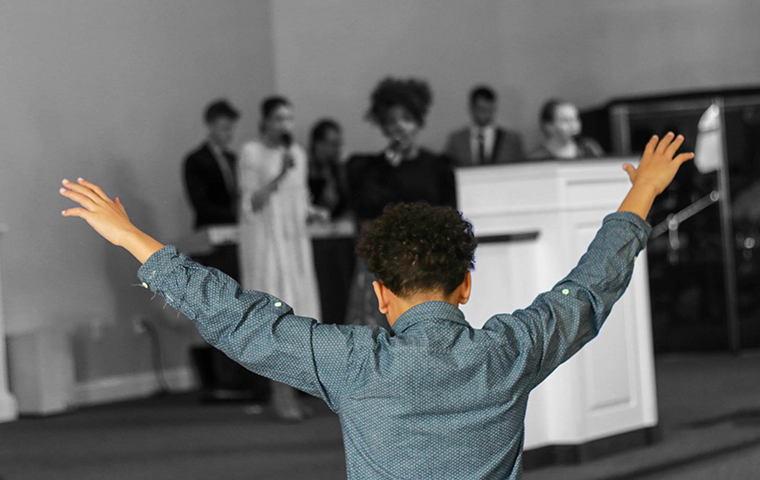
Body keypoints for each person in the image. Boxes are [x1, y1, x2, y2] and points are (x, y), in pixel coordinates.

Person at [60, 133, 692, 479]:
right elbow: (587, 290)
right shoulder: (511, 351)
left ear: (380, 295)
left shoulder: (353, 361)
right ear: (465, 286)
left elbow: (238, 318)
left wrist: (132, 238)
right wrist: (640, 192)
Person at [345, 77, 457, 328]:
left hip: (426, 262)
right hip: (385, 262)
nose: (400, 127)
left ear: (418, 122)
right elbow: (365, 207)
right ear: (384, 128)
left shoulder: (437, 167)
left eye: (406, 119)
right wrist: (387, 167)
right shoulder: (371, 169)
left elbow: (449, 212)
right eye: (392, 122)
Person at [237, 95, 321, 421]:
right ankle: (278, 394)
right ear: (266, 122)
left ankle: (293, 392)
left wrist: (311, 212)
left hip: (295, 245)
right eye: (279, 119)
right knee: (274, 316)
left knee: (299, 315)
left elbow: (298, 200)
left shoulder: (298, 153)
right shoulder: (251, 153)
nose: (286, 125)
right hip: (267, 246)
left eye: (290, 118)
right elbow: (251, 203)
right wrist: (279, 175)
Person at [182, 99, 260, 402]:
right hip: (212, 241)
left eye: (232, 128)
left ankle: (243, 376)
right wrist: (237, 214)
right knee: (218, 305)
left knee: (240, 304)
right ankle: (223, 379)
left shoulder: (234, 158)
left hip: (237, 240)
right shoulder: (196, 161)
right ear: (211, 125)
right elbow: (202, 203)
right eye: (224, 128)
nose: (229, 134)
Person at [444, 85, 525, 167]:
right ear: (471, 108)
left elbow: (520, 168)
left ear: (494, 108)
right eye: (480, 109)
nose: (484, 114)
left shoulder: (511, 140)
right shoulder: (456, 140)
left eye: (487, 110)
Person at [528, 98, 605, 160]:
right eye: (566, 120)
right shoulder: (536, 158)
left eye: (575, 119)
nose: (573, 125)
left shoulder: (589, 148)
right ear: (549, 126)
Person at [308, 118, 349, 220]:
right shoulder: (303, 171)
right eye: (333, 144)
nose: (338, 149)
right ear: (318, 144)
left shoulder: (339, 171)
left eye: (339, 144)